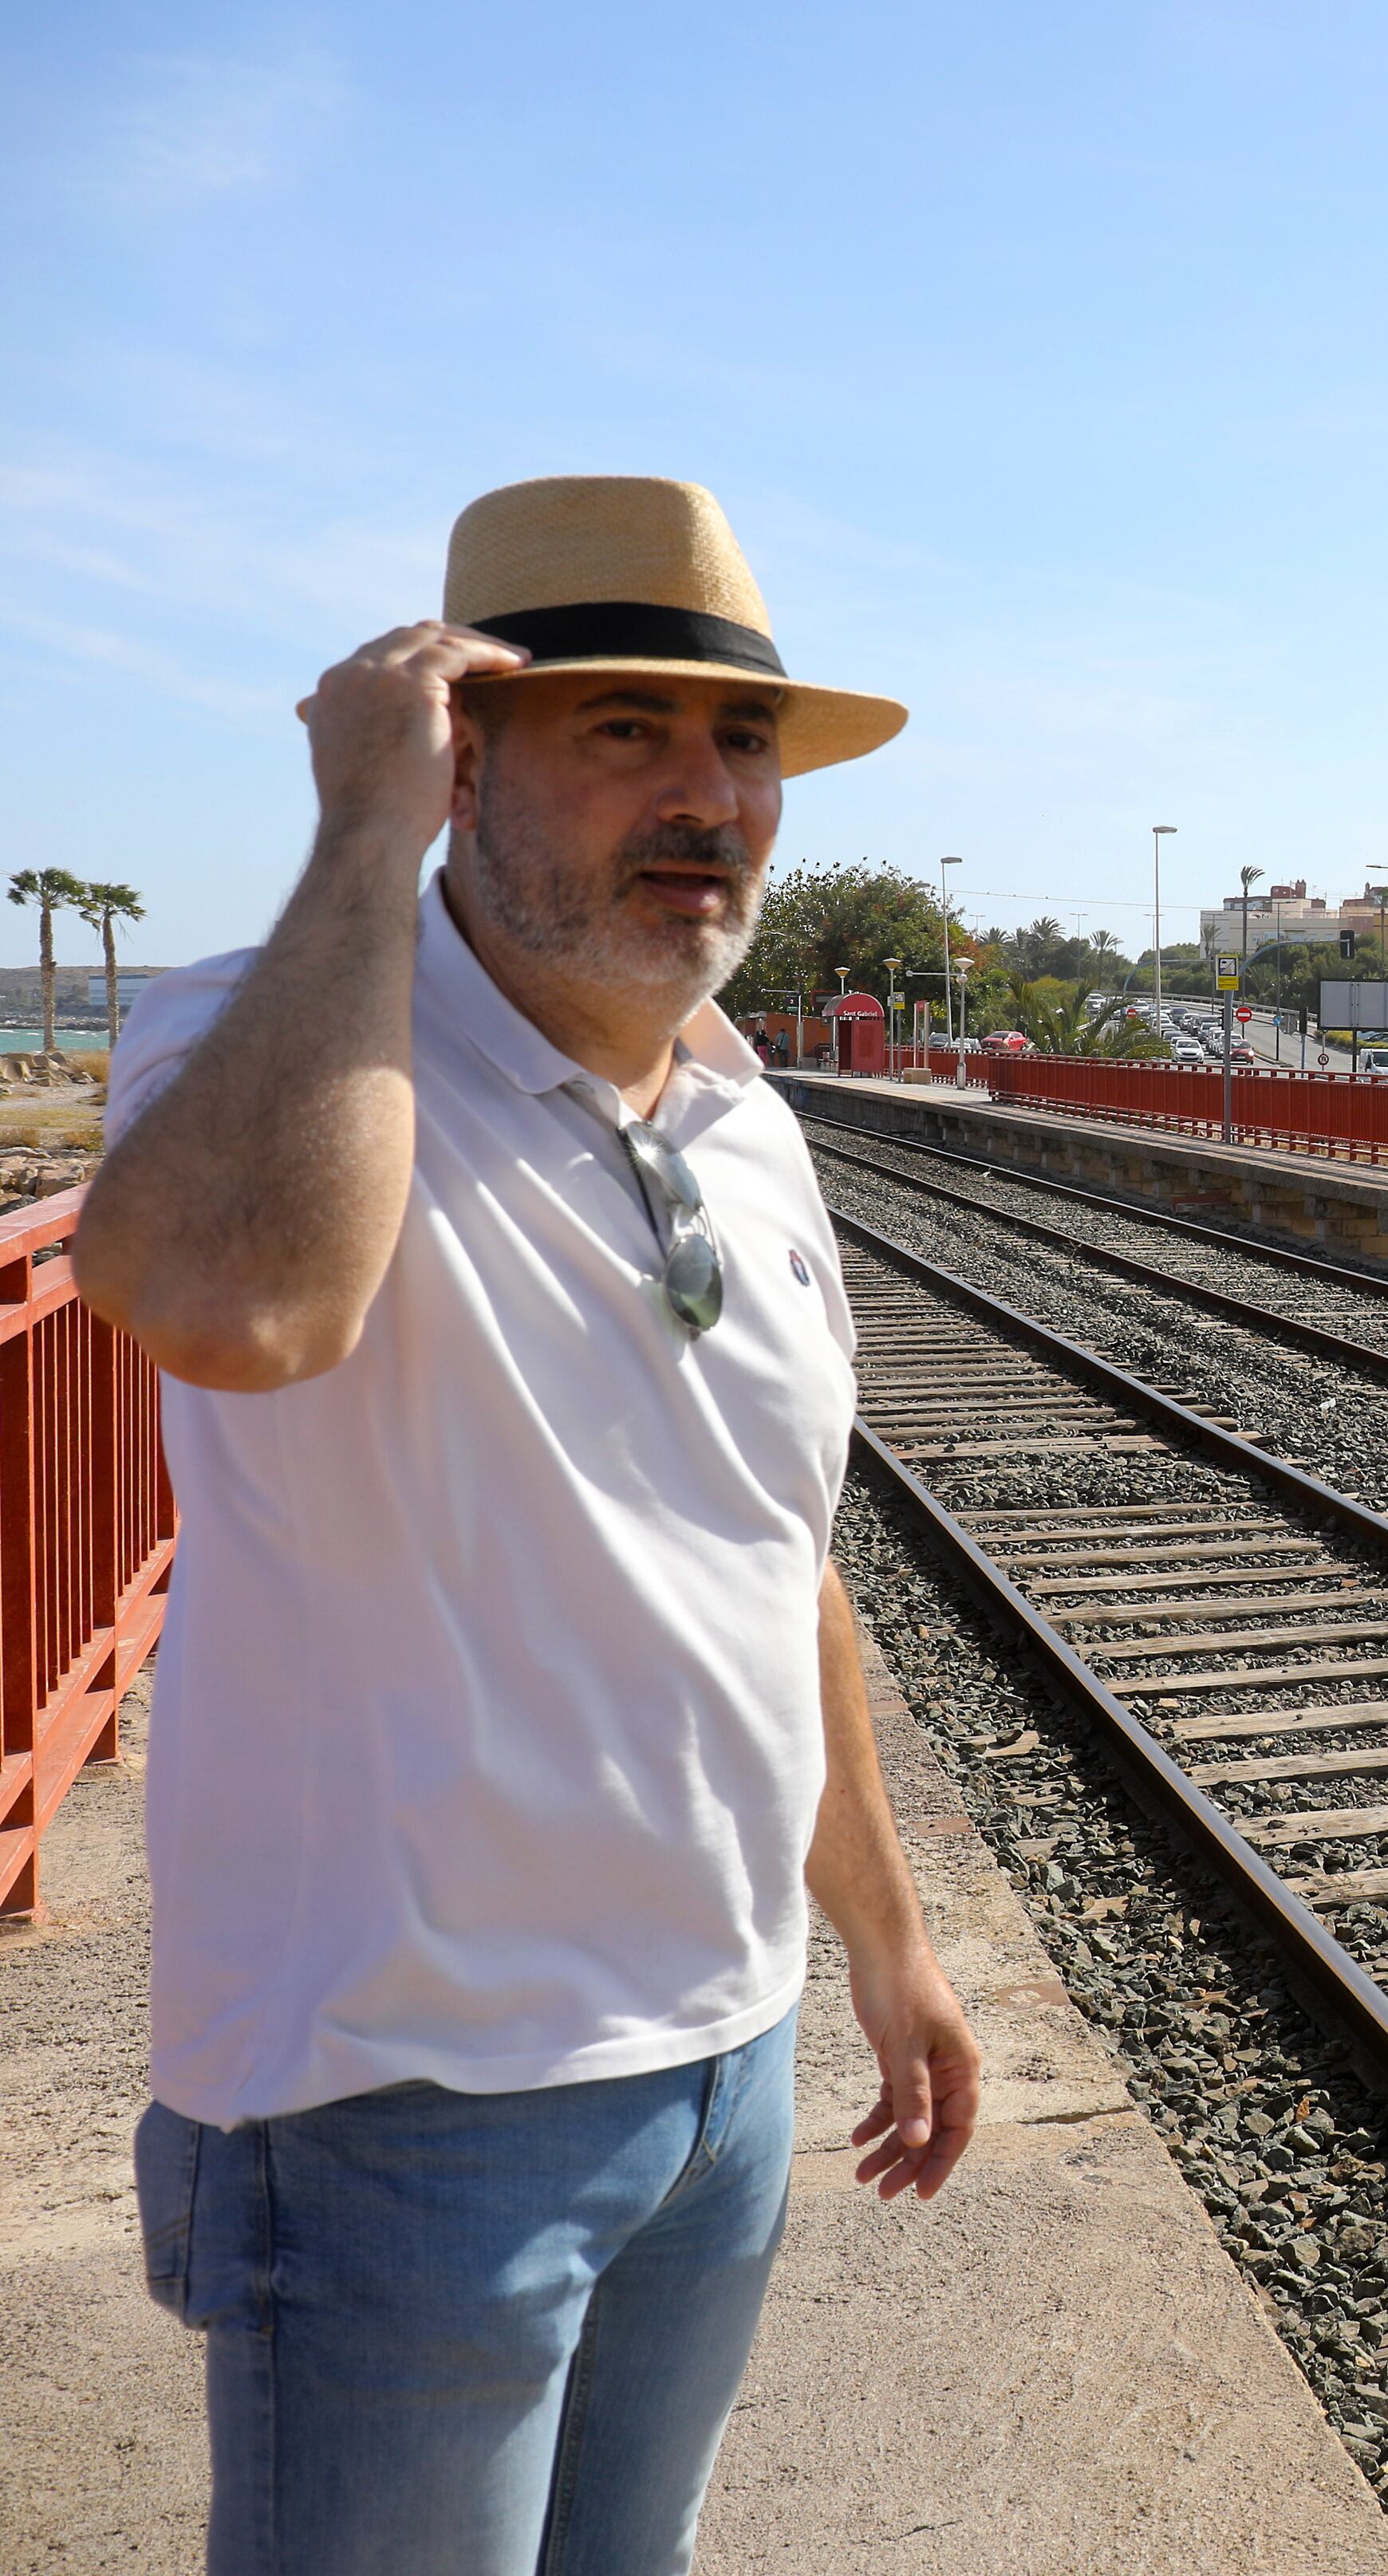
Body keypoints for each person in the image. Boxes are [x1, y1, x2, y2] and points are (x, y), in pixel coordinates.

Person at [77, 476, 976, 2574]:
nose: (705, 798)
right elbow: (238, 1301)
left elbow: (778, 1569)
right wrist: (360, 839)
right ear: (458, 746)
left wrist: (890, 1943)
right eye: (623, 733)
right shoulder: (259, 1037)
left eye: (740, 744)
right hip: (406, 2107)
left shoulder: (749, 1120)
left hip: (721, 2079)